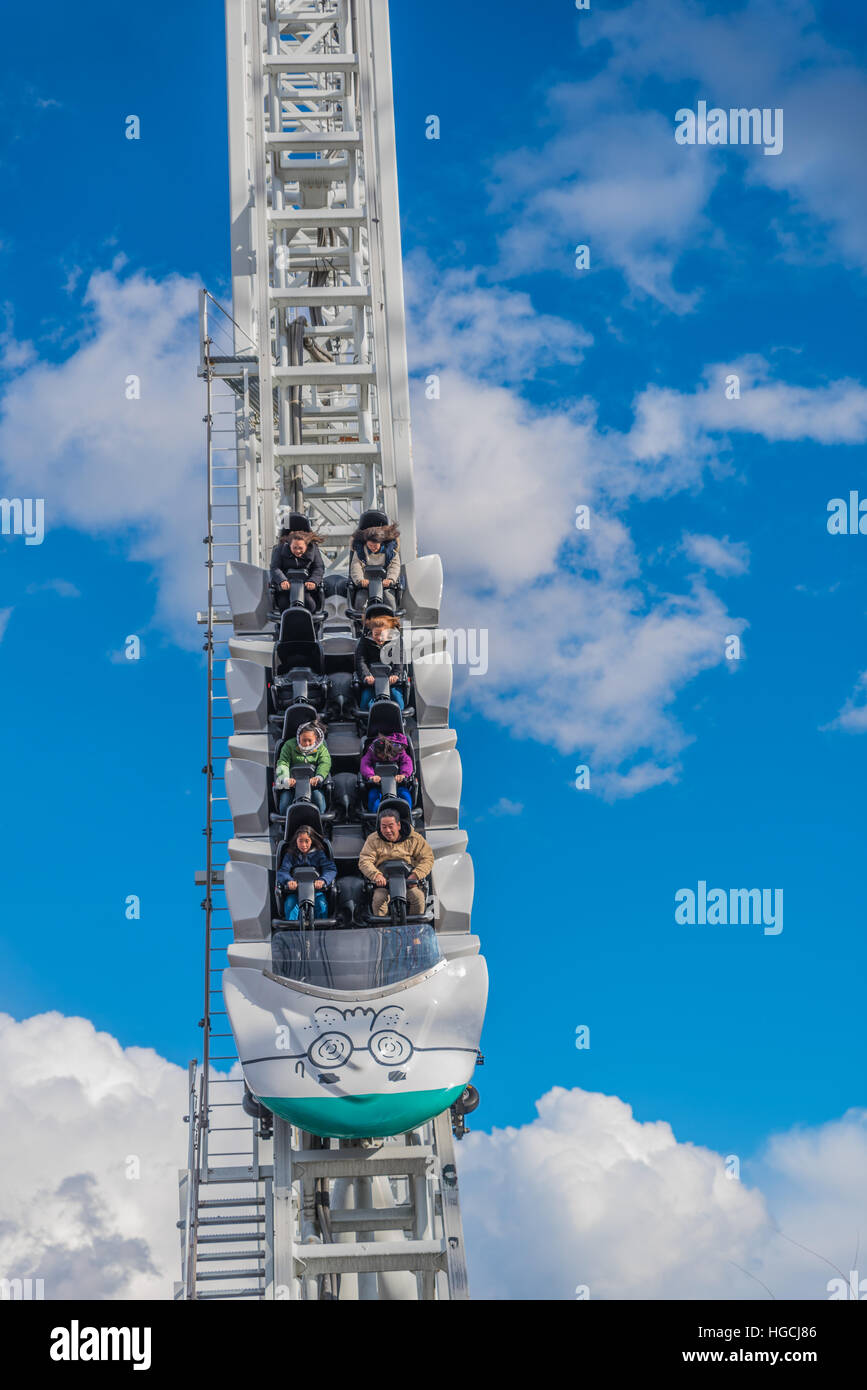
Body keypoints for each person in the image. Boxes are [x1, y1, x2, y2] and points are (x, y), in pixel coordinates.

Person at [358, 809, 434, 918]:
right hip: (384, 883)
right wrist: (376, 875)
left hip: (408, 882)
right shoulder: (373, 840)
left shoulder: (415, 839)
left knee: (418, 898)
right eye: (384, 827)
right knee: (379, 899)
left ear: (398, 825)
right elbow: (364, 860)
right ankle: (383, 931)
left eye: (391, 826)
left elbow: (427, 858)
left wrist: (416, 875)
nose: (387, 830)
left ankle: (413, 930)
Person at [276, 825, 336, 921]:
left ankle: (321, 930)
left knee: (321, 905)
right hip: (295, 892)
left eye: (306, 841)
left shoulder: (319, 854)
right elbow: (282, 871)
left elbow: (330, 869)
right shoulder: (290, 855)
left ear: (312, 841)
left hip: (316, 892)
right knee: (290, 904)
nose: (303, 845)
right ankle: (292, 931)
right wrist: (289, 881)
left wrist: (322, 880)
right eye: (300, 841)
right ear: (296, 841)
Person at [270, 513, 325, 614]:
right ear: (289, 545)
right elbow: (275, 567)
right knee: (283, 604)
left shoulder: (313, 549)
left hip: (305, 587)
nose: (298, 551)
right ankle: (284, 624)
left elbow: (319, 567)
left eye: (301, 548)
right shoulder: (280, 548)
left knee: (310, 604)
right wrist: (282, 581)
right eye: (294, 548)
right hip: (286, 587)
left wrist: (313, 581)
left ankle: (312, 625)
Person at [275, 721, 331, 816]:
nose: (307, 743)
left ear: (316, 739)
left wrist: (318, 777)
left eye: (310, 740)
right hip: (292, 786)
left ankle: (321, 822)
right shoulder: (289, 745)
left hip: (312, 786)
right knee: (284, 803)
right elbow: (283, 763)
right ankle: (285, 824)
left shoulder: (321, 749)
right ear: (298, 737)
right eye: (304, 740)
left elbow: (325, 763)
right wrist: (286, 779)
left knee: (319, 801)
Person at [349, 509, 401, 611]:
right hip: (365, 584)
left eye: (375, 545)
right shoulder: (360, 551)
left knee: (390, 601)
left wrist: (391, 579)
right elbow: (356, 566)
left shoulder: (391, 552)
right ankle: (361, 622)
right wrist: (360, 580)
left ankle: (390, 620)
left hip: (384, 584)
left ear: (381, 543)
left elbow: (394, 566)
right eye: (370, 545)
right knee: (360, 601)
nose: (373, 548)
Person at [355, 610, 406, 709]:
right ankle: (366, 720)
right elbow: (360, 660)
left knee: (398, 700)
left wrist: (396, 674)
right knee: (365, 700)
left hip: (391, 681)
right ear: (371, 632)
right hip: (372, 681)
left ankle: (398, 718)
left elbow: (399, 659)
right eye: (376, 634)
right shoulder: (365, 640)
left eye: (382, 634)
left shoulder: (396, 641)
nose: (379, 638)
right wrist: (366, 676)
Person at [360, 733, 413, 813]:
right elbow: (365, 763)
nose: (381, 757)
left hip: (397, 784)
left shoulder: (398, 750)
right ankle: (375, 817)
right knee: (373, 796)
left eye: (382, 755)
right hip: (378, 785)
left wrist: (404, 774)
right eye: (378, 755)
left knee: (405, 795)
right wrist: (371, 776)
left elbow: (407, 762)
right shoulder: (372, 750)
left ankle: (407, 814)